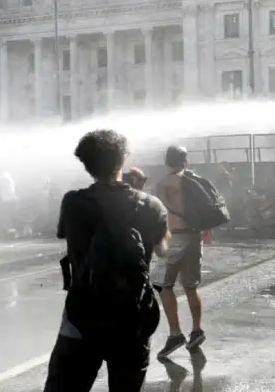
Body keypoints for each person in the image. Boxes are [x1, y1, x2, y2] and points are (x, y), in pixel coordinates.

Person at [44, 129, 170, 392]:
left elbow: (66, 235)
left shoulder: (73, 202)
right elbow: (162, 250)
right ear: (122, 161)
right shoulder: (151, 205)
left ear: (86, 165)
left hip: (81, 318)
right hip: (134, 319)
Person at [152, 145, 205, 358]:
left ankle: (175, 334)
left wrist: (158, 241)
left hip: (176, 237)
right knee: (191, 286)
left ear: (167, 161)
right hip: (194, 236)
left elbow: (161, 216)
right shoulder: (195, 182)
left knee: (163, 285)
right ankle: (197, 330)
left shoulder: (164, 184)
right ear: (186, 161)